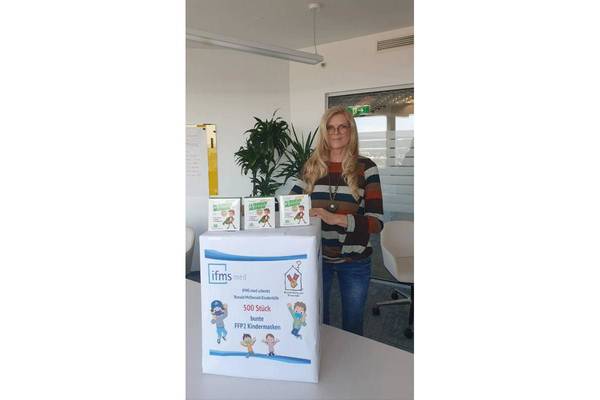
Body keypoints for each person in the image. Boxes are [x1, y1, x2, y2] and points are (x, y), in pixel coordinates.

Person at [290, 106, 384, 336]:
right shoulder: (311, 167)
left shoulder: (366, 168)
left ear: (351, 130)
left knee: (352, 325)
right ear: (324, 132)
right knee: (317, 322)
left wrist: (335, 218)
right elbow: (288, 206)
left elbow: (376, 222)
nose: (336, 132)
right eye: (330, 127)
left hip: (354, 260)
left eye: (342, 126)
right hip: (317, 258)